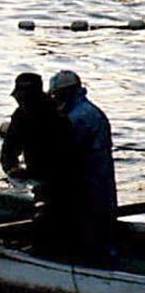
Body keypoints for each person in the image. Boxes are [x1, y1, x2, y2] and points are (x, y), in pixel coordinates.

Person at [49, 69, 117, 261]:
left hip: (89, 177)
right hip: (101, 176)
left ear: (65, 93)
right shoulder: (90, 111)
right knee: (102, 214)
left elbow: (66, 150)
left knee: (88, 218)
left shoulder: (78, 117)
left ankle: (89, 259)